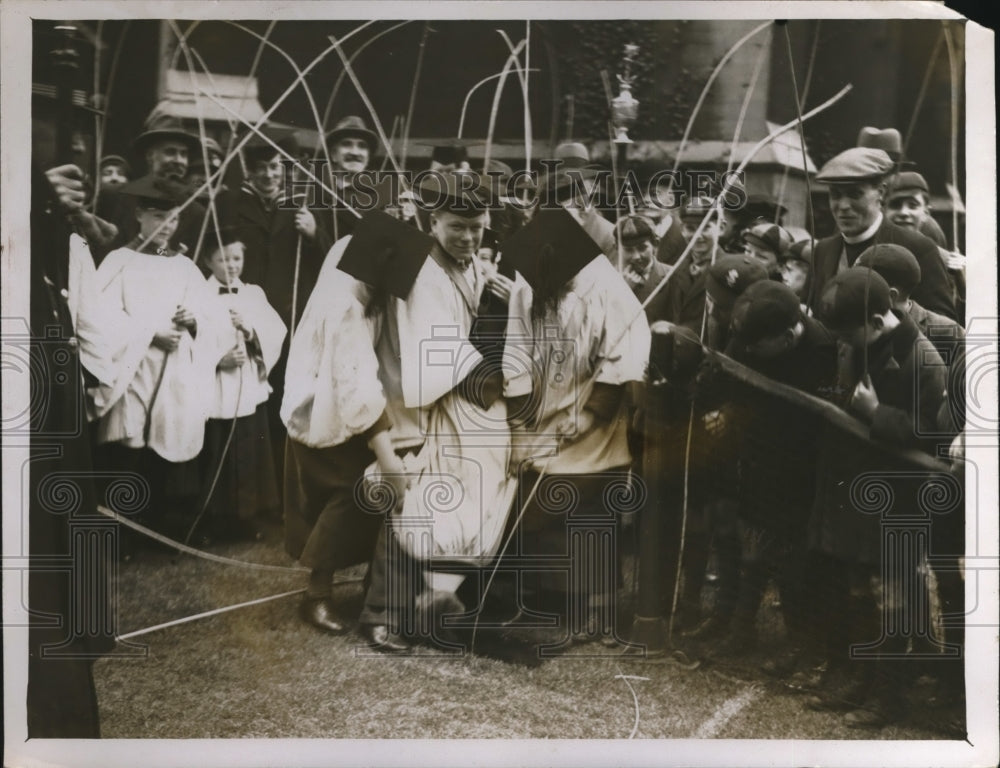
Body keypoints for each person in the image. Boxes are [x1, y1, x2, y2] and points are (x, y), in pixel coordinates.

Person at [361, 172, 518, 650]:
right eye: (457, 227)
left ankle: (440, 597)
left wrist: (500, 303)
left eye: (477, 227)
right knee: (414, 496)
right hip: (418, 397)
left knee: (463, 497)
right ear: (433, 221)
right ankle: (383, 614)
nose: (469, 238)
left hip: (455, 398)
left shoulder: (469, 265)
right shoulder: (423, 271)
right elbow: (436, 352)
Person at [501, 207, 651, 645]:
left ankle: (598, 612)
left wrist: (587, 416)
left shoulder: (606, 288)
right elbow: (516, 352)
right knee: (539, 505)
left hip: (594, 415)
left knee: (592, 514)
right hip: (542, 412)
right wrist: (518, 428)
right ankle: (553, 602)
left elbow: (625, 354)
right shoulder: (525, 288)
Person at [811, 266, 948, 727]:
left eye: (849, 334)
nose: (843, 343)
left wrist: (876, 413)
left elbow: (935, 434)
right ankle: (863, 680)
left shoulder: (921, 358)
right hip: (856, 491)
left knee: (893, 598)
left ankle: (889, 696)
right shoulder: (855, 343)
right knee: (859, 592)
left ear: (874, 321)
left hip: (900, 500)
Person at [281, 210, 425, 638]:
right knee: (348, 493)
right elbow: (354, 376)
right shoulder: (344, 301)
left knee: (362, 492)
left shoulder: (363, 282)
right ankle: (316, 594)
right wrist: (384, 450)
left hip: (342, 407)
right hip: (323, 409)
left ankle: (370, 583)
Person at [91, 175, 225, 542]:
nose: (166, 227)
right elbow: (100, 315)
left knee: (165, 443)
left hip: (174, 371)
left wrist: (193, 319)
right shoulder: (120, 260)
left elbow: (209, 311)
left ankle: (156, 527)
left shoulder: (181, 264)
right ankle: (119, 532)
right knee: (129, 442)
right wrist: (150, 333)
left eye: (173, 219)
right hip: (133, 368)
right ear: (139, 215)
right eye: (157, 217)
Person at [715, 281, 839, 665]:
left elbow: (817, 423)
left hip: (803, 470)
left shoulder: (824, 351)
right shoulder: (748, 337)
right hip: (757, 458)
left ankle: (803, 642)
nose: (747, 352)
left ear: (787, 337)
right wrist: (727, 412)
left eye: (755, 347)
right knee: (750, 548)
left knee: (794, 560)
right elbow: (730, 382)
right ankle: (740, 629)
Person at [221, 126, 333, 498]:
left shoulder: (303, 205)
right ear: (248, 171)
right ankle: (257, 497)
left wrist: (315, 233)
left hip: (294, 317)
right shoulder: (232, 204)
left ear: (286, 169)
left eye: (275, 167)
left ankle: (291, 493)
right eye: (260, 169)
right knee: (253, 404)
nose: (268, 175)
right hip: (248, 321)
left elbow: (334, 260)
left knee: (290, 399)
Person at [197, 228, 287, 542]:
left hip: (246, 382)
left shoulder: (253, 293)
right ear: (209, 260)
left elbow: (275, 330)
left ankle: (247, 515)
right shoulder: (199, 294)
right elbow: (191, 339)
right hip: (218, 382)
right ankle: (214, 518)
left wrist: (249, 332)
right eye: (223, 259)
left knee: (248, 446)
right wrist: (218, 358)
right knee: (219, 447)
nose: (232, 265)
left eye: (237, 258)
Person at [809, 146, 956, 321]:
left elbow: (943, 326)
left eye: (855, 194)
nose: (843, 205)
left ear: (881, 193)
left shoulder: (918, 248)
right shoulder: (823, 250)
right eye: (835, 195)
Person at [98, 115, 206, 264]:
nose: (178, 160)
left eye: (183, 154)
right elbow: (104, 251)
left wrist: (165, 254)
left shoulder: (195, 212)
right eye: (170, 152)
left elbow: (194, 262)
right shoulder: (116, 197)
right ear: (150, 156)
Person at [855, 243, 965, 363]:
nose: (854, 293)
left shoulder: (948, 333)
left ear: (891, 296)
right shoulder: (855, 328)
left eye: (862, 288)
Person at [325, 114, 378, 240]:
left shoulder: (380, 200)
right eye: (347, 144)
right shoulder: (317, 194)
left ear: (368, 157)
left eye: (362, 146)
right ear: (333, 154)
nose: (355, 152)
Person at [614, 213, 672, 324]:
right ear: (616, 248)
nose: (636, 256)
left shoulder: (672, 276)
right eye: (628, 250)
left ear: (655, 244)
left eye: (642, 248)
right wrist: (624, 289)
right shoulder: (608, 280)